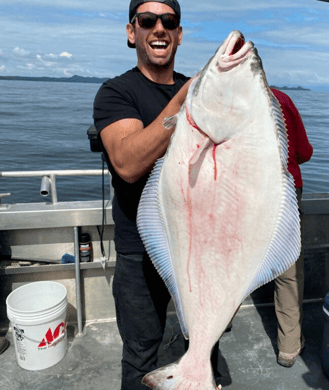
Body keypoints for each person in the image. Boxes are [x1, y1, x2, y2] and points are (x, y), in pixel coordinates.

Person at [93, 1, 221, 389]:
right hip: (140, 253)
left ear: (179, 34)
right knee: (141, 353)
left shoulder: (202, 92)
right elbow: (128, 163)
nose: (159, 28)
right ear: (133, 32)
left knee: (205, 344)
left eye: (169, 21)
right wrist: (182, 104)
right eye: (147, 21)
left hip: (198, 250)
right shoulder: (116, 92)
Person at [271, 88, 313, 367]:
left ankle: (220, 326)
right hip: (284, 191)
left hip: (243, 194)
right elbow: (304, 152)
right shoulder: (281, 99)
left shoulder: (225, 101)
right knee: (288, 272)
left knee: (237, 266)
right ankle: (288, 347)